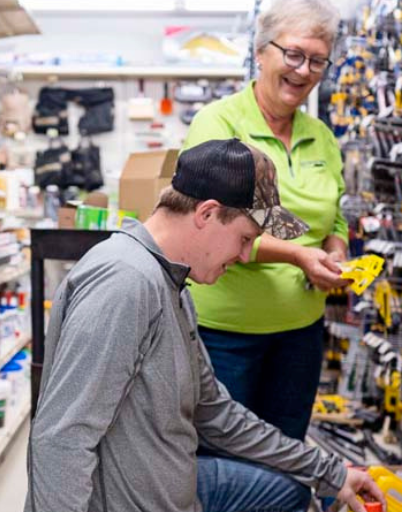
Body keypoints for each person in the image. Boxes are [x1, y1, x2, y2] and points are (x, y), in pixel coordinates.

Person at [26, 139, 383, 512]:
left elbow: (214, 411)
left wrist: (330, 472)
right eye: (245, 239)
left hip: (177, 487)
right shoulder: (125, 282)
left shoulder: (173, 282)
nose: (246, 255)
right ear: (207, 213)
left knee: (291, 491)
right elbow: (61, 438)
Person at [182, 0, 350, 441]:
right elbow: (209, 228)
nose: (303, 70)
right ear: (260, 52)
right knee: (222, 460)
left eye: (317, 60)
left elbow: (337, 216)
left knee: (287, 453)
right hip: (225, 333)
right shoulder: (219, 123)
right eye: (293, 54)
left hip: (300, 333)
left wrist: (336, 251)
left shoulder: (323, 138)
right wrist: (297, 255)